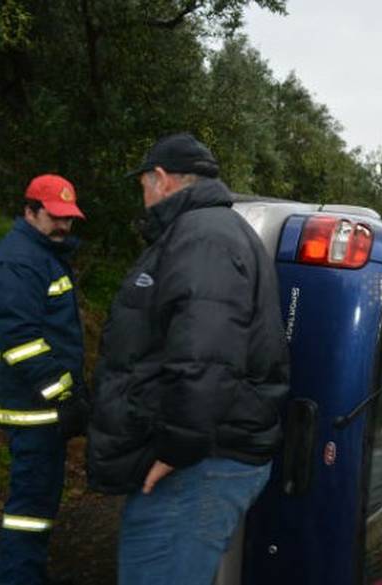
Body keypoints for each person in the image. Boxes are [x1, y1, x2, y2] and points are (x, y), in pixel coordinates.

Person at [87, 133, 290, 584]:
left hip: (198, 465)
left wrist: (177, 448)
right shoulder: (207, 231)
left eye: (142, 184)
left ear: (160, 179)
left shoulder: (203, 237)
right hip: (204, 459)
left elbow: (207, 355)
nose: (142, 196)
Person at [0, 174, 88, 585]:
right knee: (29, 514)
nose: (64, 227)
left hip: (43, 409)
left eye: (69, 219)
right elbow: (18, 340)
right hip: (34, 412)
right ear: (30, 211)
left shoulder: (43, 253)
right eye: (55, 218)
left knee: (37, 508)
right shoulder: (21, 260)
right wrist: (63, 393)